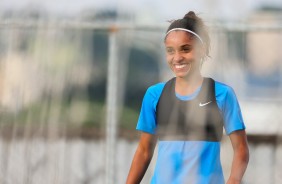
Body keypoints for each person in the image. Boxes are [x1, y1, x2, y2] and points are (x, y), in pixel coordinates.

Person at [126, 11, 249, 184]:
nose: (177, 57)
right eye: (170, 51)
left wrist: (234, 180)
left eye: (186, 49)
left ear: (201, 49)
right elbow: (144, 151)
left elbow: (241, 149)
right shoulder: (154, 95)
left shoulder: (222, 94)